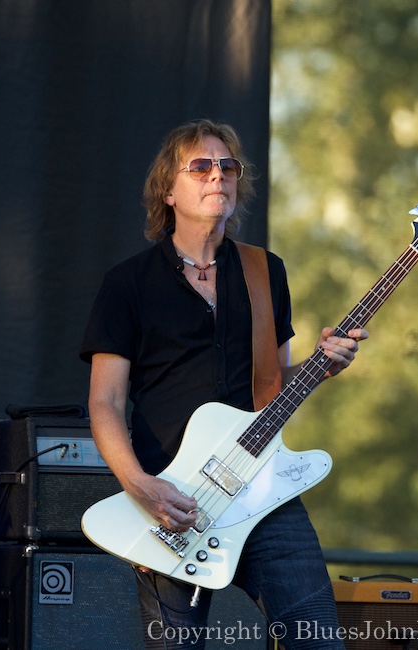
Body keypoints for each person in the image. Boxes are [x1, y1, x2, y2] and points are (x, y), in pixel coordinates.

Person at [80, 119, 365, 649]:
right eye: (202, 167)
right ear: (168, 190)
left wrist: (323, 365)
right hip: (173, 498)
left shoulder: (264, 271)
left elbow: (275, 388)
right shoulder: (128, 284)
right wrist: (140, 485)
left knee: (320, 642)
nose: (219, 176)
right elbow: (106, 401)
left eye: (228, 167)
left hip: (264, 490)